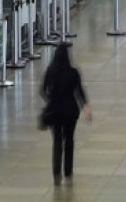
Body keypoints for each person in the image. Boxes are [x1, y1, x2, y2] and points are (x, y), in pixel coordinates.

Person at [40, 45, 91, 185]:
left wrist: (50, 100)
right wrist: (85, 106)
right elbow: (79, 91)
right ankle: (68, 170)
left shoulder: (50, 71)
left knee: (57, 141)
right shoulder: (73, 72)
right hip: (70, 111)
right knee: (69, 140)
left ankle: (56, 173)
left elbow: (42, 90)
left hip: (55, 111)